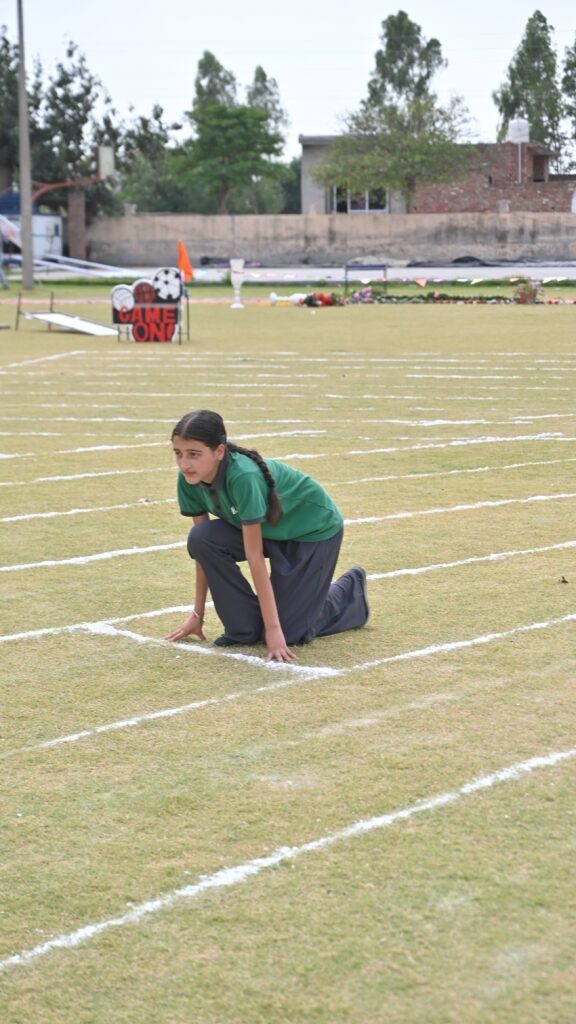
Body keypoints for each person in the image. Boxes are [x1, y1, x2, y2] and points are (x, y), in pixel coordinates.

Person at [165, 409, 369, 662]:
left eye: (194, 454)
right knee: (202, 538)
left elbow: (254, 556)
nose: (184, 463)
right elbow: (203, 553)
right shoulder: (189, 480)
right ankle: (250, 625)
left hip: (311, 531)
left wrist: (274, 630)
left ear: (219, 451)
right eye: (178, 453)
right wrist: (198, 614)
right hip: (269, 531)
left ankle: (349, 592)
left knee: (289, 632)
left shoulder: (244, 477)